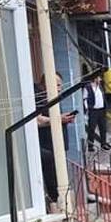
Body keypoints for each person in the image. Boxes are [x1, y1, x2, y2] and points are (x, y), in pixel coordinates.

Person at [35, 75, 76, 209]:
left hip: (58, 147)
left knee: (62, 181)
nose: (59, 89)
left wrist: (64, 119)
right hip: (47, 147)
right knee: (53, 183)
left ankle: (64, 210)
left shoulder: (54, 100)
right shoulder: (38, 99)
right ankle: (57, 210)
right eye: (56, 85)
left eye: (60, 85)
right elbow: (36, 120)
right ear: (44, 86)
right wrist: (58, 119)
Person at [84, 72, 110, 151]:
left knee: (103, 128)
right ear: (95, 79)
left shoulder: (100, 86)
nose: (100, 79)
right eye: (99, 78)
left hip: (101, 110)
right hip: (93, 111)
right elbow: (84, 98)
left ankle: (103, 144)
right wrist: (87, 108)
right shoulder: (87, 87)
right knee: (92, 128)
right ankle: (90, 145)